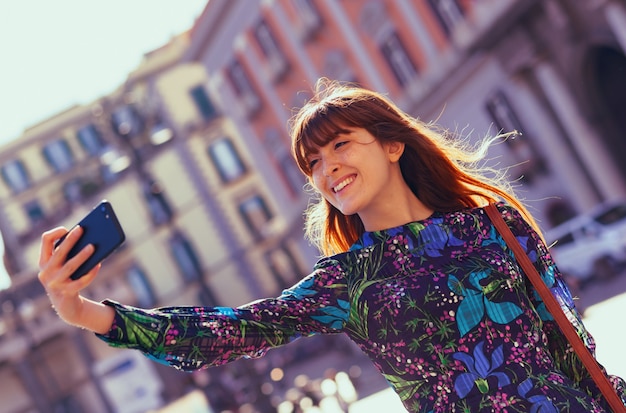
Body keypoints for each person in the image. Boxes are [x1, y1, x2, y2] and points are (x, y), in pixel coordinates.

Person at [38, 79, 626, 412]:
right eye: (312, 162)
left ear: (391, 145)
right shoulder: (349, 280)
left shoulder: (495, 224)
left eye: (341, 145)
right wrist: (87, 313)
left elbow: (571, 336)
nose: (327, 169)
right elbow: (229, 332)